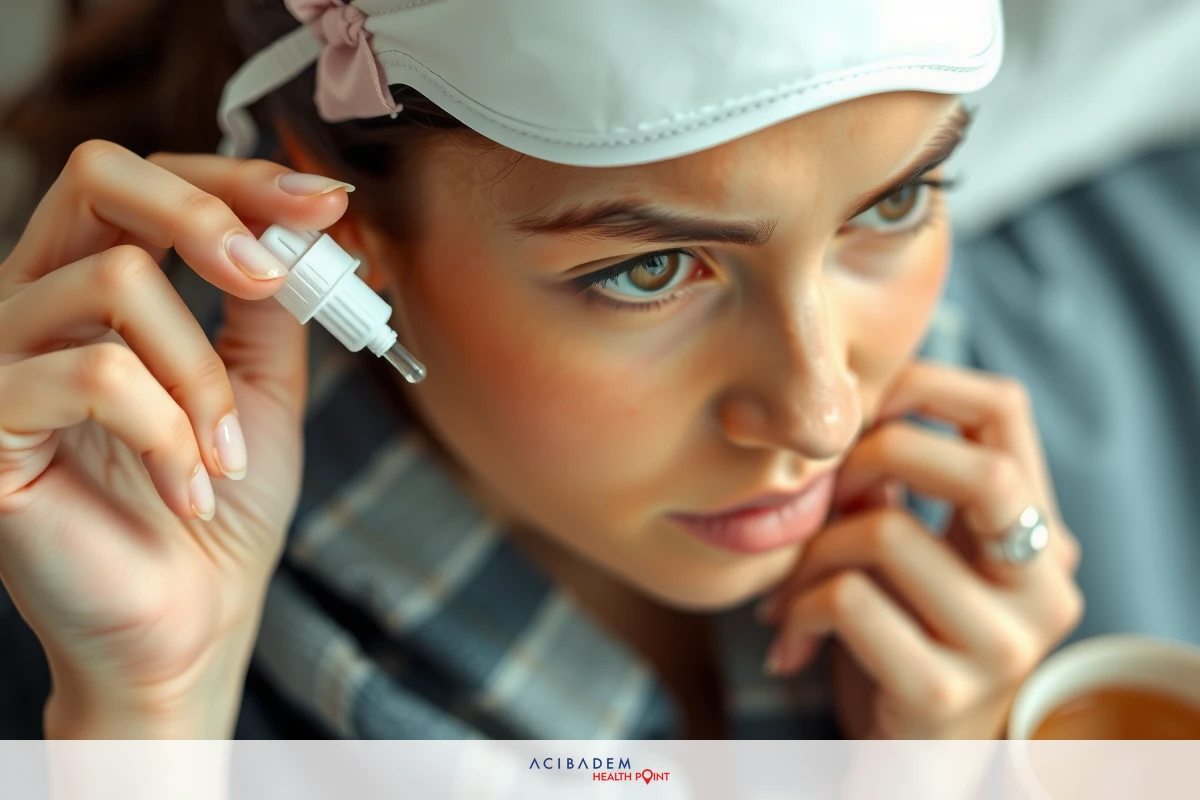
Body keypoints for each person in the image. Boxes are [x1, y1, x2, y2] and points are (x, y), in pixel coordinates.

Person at [0, 0, 1082, 740]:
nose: (820, 411)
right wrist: (147, 726)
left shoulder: (1098, 355)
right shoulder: (66, 602)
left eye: (894, 203)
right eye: (651, 268)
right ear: (326, 207)